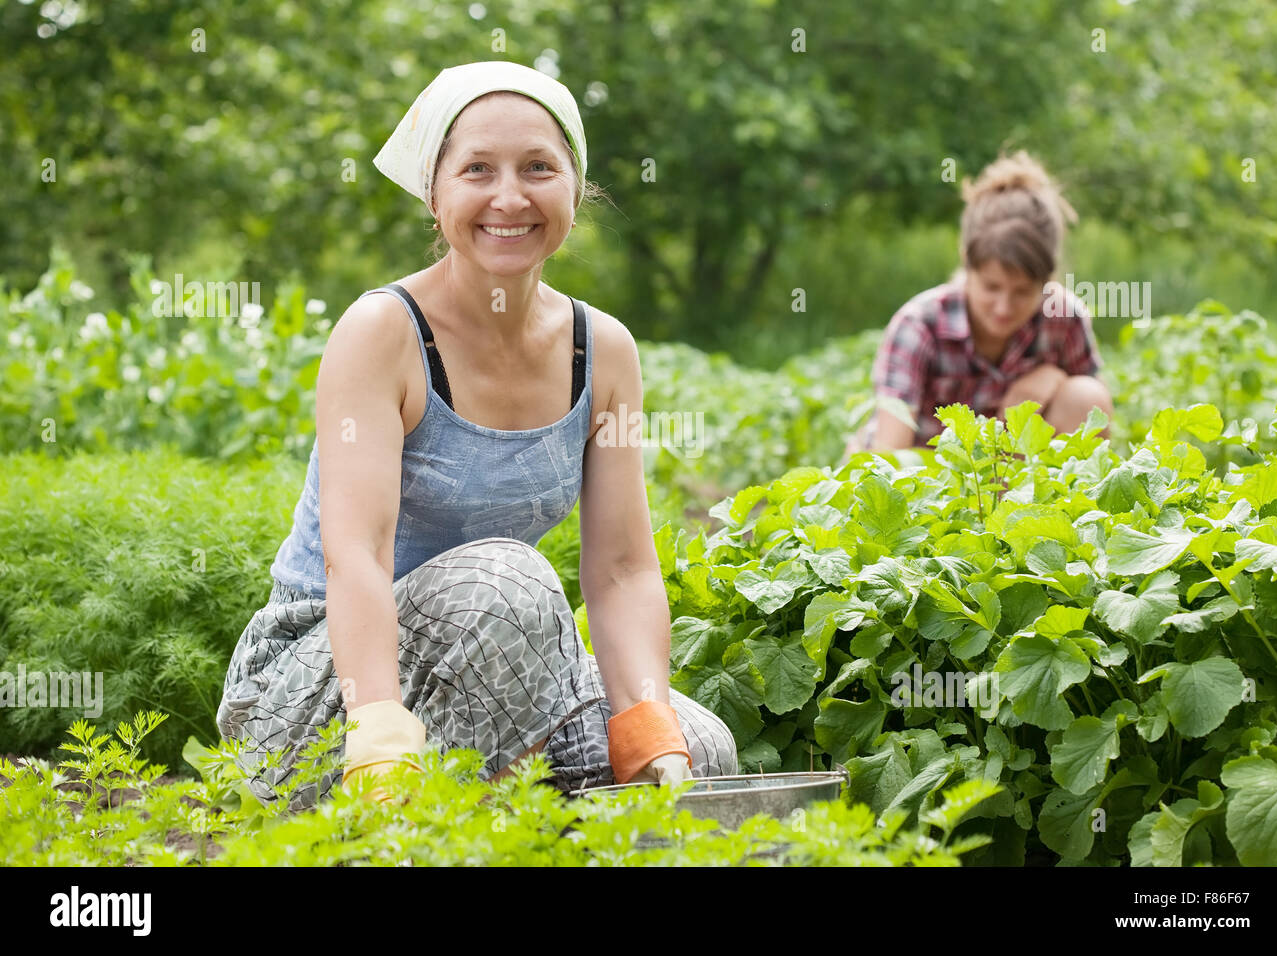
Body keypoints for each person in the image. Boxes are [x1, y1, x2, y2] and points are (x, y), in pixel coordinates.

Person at [216, 60, 738, 811]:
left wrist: (645, 722)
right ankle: (408, 831)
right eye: (477, 170)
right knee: (511, 581)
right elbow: (353, 554)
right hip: (317, 692)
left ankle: (509, 827)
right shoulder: (384, 333)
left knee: (700, 746)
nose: (509, 196)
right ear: (434, 193)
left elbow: (623, 569)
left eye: (537, 168)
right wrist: (376, 733)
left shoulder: (604, 350)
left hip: (496, 666)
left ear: (575, 187)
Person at [844, 151, 1113, 456]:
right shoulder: (920, 325)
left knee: (1085, 396)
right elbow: (889, 454)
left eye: (1023, 291)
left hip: (1013, 487)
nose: (1004, 307)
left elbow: (1096, 413)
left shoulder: (1062, 316)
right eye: (991, 287)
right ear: (966, 263)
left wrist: (1052, 376)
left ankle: (1037, 505)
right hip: (929, 487)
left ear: (1047, 280)